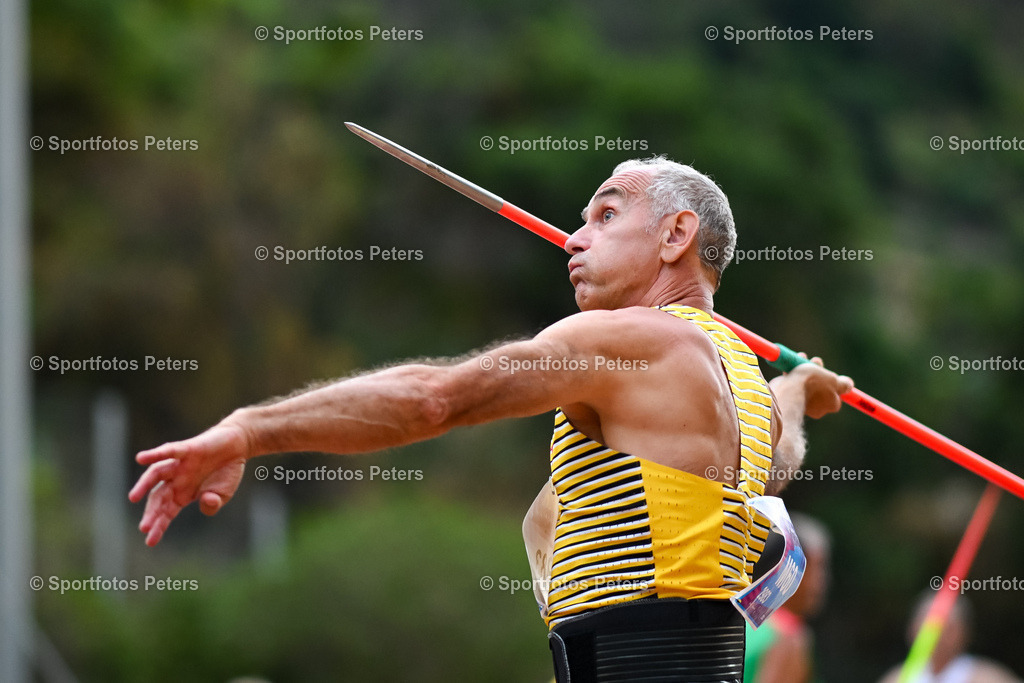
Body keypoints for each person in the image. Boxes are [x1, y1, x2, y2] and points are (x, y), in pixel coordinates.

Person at [130, 156, 853, 682]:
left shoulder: (626, 342)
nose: (574, 238)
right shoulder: (747, 386)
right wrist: (798, 388)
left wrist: (252, 429)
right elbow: (779, 458)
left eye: (605, 213)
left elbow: (433, 398)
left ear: (675, 236)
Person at [744, 513, 831, 683]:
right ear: (785, 569)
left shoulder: (739, 621)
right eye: (817, 568)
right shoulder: (789, 637)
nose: (823, 581)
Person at [878, 593, 1021, 683]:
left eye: (948, 627)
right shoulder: (896, 678)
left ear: (965, 633)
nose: (936, 633)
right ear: (912, 630)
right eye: (926, 623)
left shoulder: (988, 678)